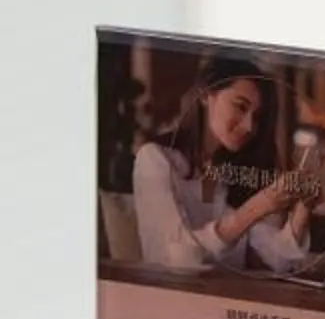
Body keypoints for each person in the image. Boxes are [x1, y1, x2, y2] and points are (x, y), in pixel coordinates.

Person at [131, 56, 313, 273]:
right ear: (208, 94)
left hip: (227, 300)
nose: (248, 126)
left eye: (257, 117)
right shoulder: (154, 159)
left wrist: (303, 208)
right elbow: (176, 257)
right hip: (175, 301)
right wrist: (256, 207)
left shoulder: (227, 171)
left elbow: (278, 261)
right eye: (240, 106)